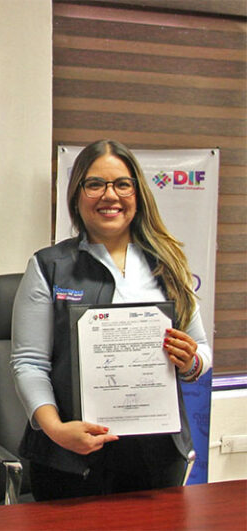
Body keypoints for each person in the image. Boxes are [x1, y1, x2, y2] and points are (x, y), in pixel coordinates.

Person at [11, 139, 212, 502]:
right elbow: (29, 363)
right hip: (71, 457)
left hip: (156, 456)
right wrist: (55, 430)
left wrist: (190, 361)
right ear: (77, 194)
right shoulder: (48, 266)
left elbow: (201, 353)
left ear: (138, 193)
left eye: (122, 184)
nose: (110, 195)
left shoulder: (168, 264)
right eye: (95, 184)